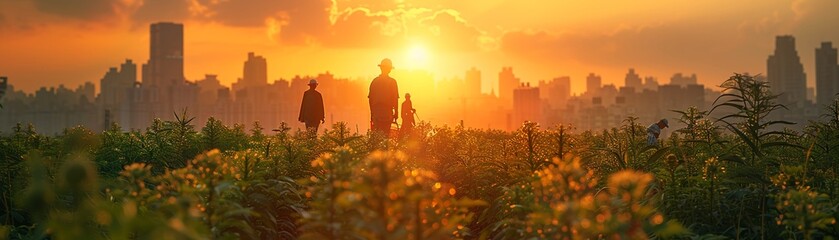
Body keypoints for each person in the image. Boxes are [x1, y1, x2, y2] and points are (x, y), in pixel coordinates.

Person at [368, 58, 399, 136]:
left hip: (376, 112)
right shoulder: (392, 82)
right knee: (385, 135)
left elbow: (370, 99)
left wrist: (372, 113)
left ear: (381, 68)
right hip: (387, 112)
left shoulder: (374, 82)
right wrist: (396, 113)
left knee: (377, 135)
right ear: (389, 70)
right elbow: (395, 99)